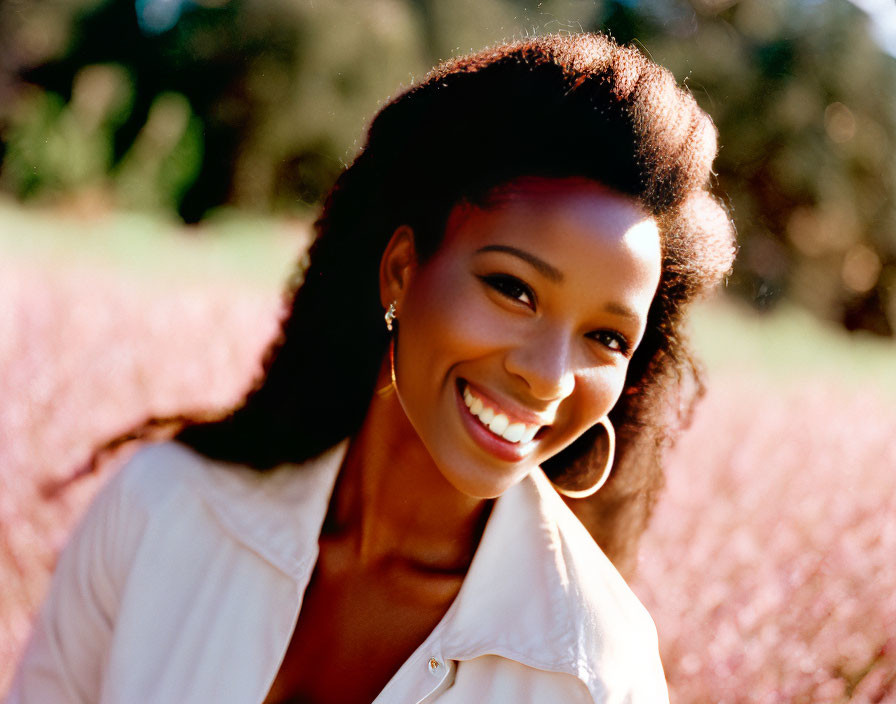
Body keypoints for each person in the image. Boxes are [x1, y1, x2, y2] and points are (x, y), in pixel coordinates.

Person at [8, 32, 735, 703]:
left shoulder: (596, 676)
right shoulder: (160, 508)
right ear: (401, 271)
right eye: (514, 289)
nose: (548, 376)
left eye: (606, 338)